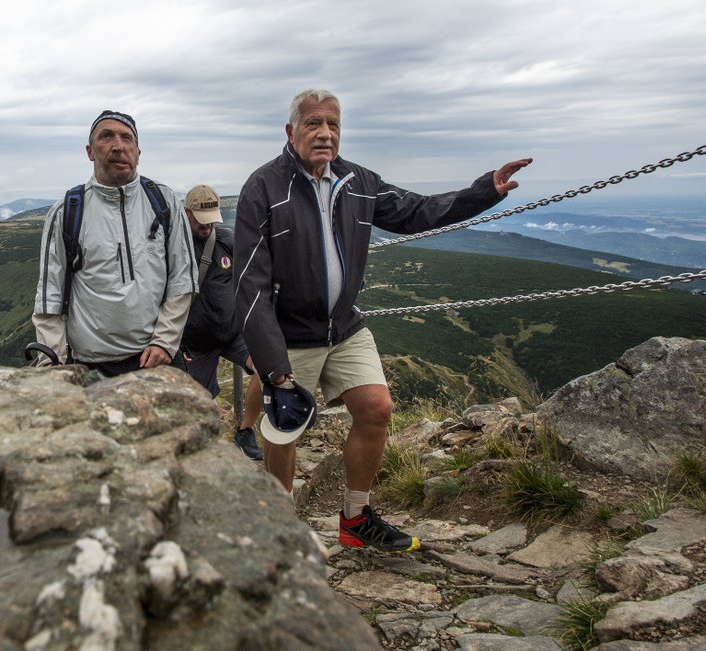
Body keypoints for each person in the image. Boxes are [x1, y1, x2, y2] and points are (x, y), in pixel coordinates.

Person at [234, 88, 532, 552]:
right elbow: (249, 281)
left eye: (333, 123)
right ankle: (281, 524)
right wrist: (272, 366)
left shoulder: (357, 180)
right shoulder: (264, 187)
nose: (325, 133)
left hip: (344, 325)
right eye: (313, 123)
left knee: (377, 409)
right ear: (290, 131)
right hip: (289, 331)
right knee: (285, 428)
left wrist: (483, 193)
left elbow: (416, 212)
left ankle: (355, 519)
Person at [32, 110, 197, 375]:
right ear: (90, 151)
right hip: (91, 366)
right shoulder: (67, 212)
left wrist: (165, 343)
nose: (118, 146)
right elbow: (49, 296)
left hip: (156, 359)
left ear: (138, 152)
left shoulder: (164, 203)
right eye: (106, 136)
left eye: (127, 138)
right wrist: (53, 366)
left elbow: (183, 278)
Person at [172, 184, 265, 460]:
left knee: (267, 369)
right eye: (202, 220)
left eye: (212, 219)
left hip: (232, 333)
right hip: (195, 344)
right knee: (199, 405)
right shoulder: (174, 247)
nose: (208, 226)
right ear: (186, 213)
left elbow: (252, 272)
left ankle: (245, 431)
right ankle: (193, 456)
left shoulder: (227, 240)